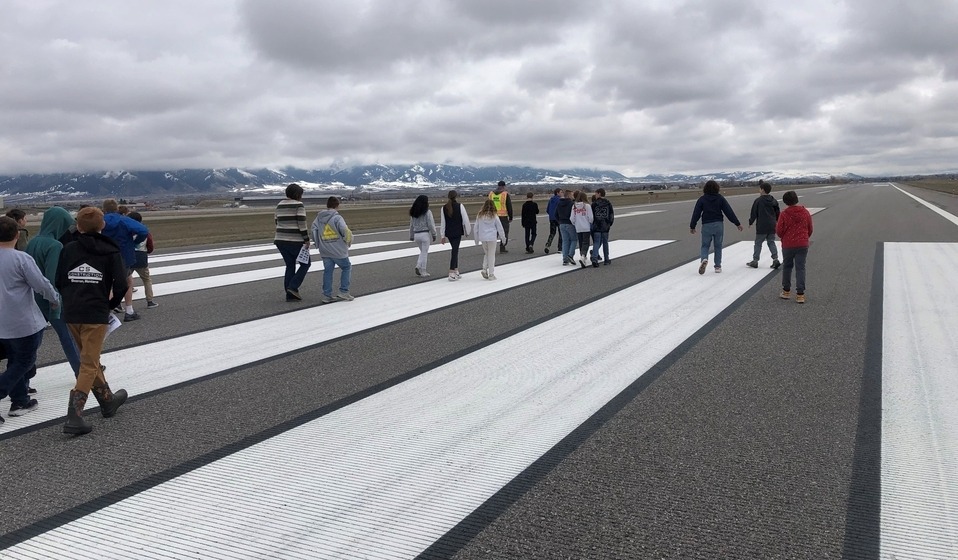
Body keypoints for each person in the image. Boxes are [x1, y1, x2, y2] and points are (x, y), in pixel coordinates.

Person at [55, 207, 129, 435]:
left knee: (88, 356)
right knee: (89, 362)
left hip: (72, 312)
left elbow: (59, 280)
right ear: (102, 225)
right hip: (95, 313)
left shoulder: (67, 249)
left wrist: (71, 299)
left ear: (78, 226)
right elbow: (121, 285)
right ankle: (74, 417)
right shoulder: (110, 251)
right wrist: (110, 304)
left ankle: (107, 400)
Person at [0, 216, 61, 425]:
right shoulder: (21, 259)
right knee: (23, 362)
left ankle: (20, 401)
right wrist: (54, 299)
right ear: (17, 234)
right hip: (22, 322)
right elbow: (41, 284)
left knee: (13, 361)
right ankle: (13, 397)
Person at [24, 207, 82, 389]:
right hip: (50, 299)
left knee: (32, 345)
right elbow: (50, 277)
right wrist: (55, 303)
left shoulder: (32, 242)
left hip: (32, 298)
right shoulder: (54, 245)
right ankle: (82, 374)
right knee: (68, 339)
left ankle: (22, 383)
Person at [101, 198, 148, 320]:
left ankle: (107, 311)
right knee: (127, 281)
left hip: (103, 255)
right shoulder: (123, 220)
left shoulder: (100, 221)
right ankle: (129, 310)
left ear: (104, 209)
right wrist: (135, 242)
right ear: (116, 208)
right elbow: (143, 231)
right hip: (123, 255)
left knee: (105, 283)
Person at [689, 180, 743, 274]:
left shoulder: (702, 199)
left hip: (706, 225)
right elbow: (728, 212)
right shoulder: (720, 198)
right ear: (717, 188)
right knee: (718, 246)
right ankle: (717, 266)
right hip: (718, 224)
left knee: (705, 245)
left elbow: (696, 213)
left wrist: (692, 226)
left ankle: (704, 259)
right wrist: (737, 223)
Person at [311, 196, 354, 304]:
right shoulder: (337, 218)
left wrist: (318, 244)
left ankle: (327, 295)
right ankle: (344, 291)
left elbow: (313, 231)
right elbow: (345, 230)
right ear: (337, 205)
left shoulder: (318, 218)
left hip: (325, 250)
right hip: (338, 249)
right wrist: (348, 241)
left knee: (328, 271)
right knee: (346, 267)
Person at [273, 183, 311, 302]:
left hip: (280, 240)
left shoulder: (279, 205)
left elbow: (276, 221)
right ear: (297, 194)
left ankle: (290, 294)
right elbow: (302, 224)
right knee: (306, 264)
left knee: (290, 265)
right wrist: (306, 239)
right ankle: (292, 287)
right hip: (295, 241)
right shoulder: (299, 205)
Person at [776, 190, 813, 304]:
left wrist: (784, 237)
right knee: (800, 268)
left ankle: (786, 291)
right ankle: (800, 294)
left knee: (787, 267)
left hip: (788, 244)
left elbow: (779, 231)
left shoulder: (784, 214)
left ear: (785, 202)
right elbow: (810, 228)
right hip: (802, 244)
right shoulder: (805, 212)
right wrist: (805, 238)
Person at [747, 180, 781, 269]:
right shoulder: (774, 200)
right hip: (772, 225)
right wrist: (777, 221)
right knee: (771, 242)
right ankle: (775, 259)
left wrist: (751, 222)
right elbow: (778, 212)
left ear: (762, 190)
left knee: (758, 243)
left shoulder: (758, 201)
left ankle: (755, 260)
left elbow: (754, 212)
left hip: (762, 225)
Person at [439, 190, 471, 281]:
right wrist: (467, 231)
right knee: (455, 251)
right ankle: (451, 271)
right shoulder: (460, 206)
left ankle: (456, 270)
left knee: (455, 250)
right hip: (457, 232)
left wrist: (442, 235)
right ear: (456, 196)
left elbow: (443, 223)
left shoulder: (444, 208)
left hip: (449, 232)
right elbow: (465, 220)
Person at [128, 211, 159, 308]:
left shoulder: (126, 231)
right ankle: (150, 301)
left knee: (125, 281)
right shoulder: (145, 231)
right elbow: (150, 247)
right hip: (141, 257)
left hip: (129, 257)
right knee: (146, 280)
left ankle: (120, 304)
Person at [474, 199, 506, 280]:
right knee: (491, 255)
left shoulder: (479, 215)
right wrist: (503, 238)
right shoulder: (494, 215)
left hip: (483, 237)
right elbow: (500, 228)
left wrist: (476, 239)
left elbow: (476, 228)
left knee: (487, 253)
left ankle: (484, 269)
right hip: (491, 237)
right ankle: (491, 274)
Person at [408, 195, 437, 277]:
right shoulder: (427, 212)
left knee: (422, 252)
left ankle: (419, 266)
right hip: (425, 234)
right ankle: (422, 270)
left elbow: (411, 225)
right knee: (424, 253)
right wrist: (434, 234)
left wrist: (411, 235)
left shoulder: (413, 213)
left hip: (417, 235)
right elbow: (431, 224)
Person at [590, 188, 615, 267]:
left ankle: (594, 258)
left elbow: (591, 216)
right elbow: (611, 214)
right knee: (605, 243)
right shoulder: (608, 203)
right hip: (605, 226)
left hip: (597, 225)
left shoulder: (594, 204)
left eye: (596, 193)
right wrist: (609, 223)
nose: (595, 195)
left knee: (596, 242)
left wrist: (593, 223)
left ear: (599, 193)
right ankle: (606, 259)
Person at [488, 180, 513, 253]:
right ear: (504, 186)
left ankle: (491, 248)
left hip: (492, 216)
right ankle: (502, 247)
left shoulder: (491, 194)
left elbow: (487, 205)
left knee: (493, 233)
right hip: (503, 216)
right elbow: (509, 206)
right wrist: (510, 217)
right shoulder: (505, 194)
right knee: (504, 232)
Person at [571, 191, 594, 268]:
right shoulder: (587, 206)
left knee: (581, 242)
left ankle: (582, 255)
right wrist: (590, 222)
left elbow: (572, 218)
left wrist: (575, 223)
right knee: (586, 242)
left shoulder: (574, 206)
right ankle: (583, 256)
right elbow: (590, 218)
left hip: (578, 227)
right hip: (586, 227)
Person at [556, 190, 576, 265]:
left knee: (565, 241)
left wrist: (560, 221)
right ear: (568, 195)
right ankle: (570, 255)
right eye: (572, 195)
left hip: (561, 223)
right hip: (570, 223)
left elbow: (556, 214)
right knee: (574, 240)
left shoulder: (559, 203)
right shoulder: (571, 204)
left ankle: (565, 258)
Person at [543, 188, 562, 254]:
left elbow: (548, 209)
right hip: (558, 218)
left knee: (552, 233)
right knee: (561, 233)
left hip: (552, 218)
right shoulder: (560, 200)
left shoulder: (551, 200)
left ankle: (548, 245)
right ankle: (560, 248)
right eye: (561, 192)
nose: (561, 194)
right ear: (557, 193)